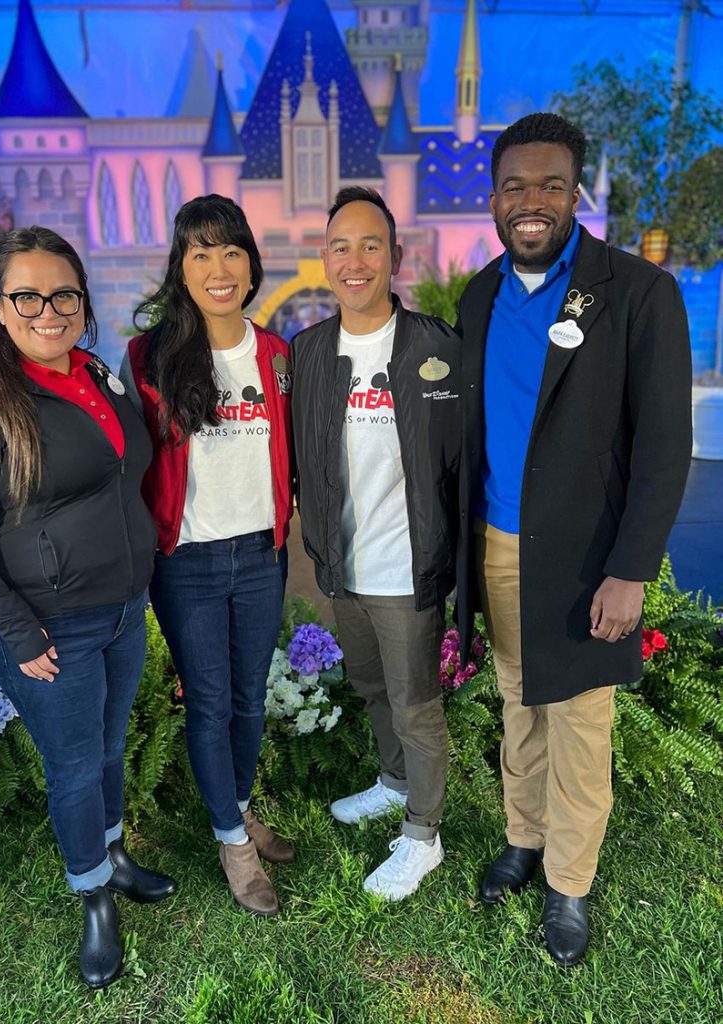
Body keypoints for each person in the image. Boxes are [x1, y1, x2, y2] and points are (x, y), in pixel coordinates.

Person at [454, 113, 692, 966]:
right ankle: (523, 837)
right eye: (514, 186)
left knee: (580, 723)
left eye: (550, 186)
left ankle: (568, 881)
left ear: (575, 193)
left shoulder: (636, 292)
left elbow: (663, 445)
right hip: (496, 544)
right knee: (518, 704)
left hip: (588, 558)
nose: (532, 202)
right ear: (493, 197)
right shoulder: (478, 295)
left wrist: (629, 571)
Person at [0, 226, 177, 989]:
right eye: (26, 296)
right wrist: (16, 629)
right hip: (47, 627)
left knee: (108, 748)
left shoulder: (96, 375)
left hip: (122, 609)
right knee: (73, 768)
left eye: (63, 294)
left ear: (83, 301)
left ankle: (114, 855)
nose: (48, 311)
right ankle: (93, 896)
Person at [122, 194, 294, 918]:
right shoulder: (148, 356)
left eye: (231, 251)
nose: (218, 268)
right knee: (211, 701)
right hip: (186, 561)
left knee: (250, 698)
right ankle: (232, 842)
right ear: (181, 267)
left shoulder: (277, 354)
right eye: (201, 252)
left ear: (251, 265)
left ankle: (239, 808)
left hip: (261, 555)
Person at [291, 186, 461, 901]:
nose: (354, 260)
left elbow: (466, 454)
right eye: (341, 246)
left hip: (407, 566)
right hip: (344, 566)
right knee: (370, 687)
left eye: (370, 245)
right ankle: (393, 783)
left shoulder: (437, 347)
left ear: (395, 255)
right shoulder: (308, 352)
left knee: (415, 703)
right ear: (324, 257)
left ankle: (423, 836)